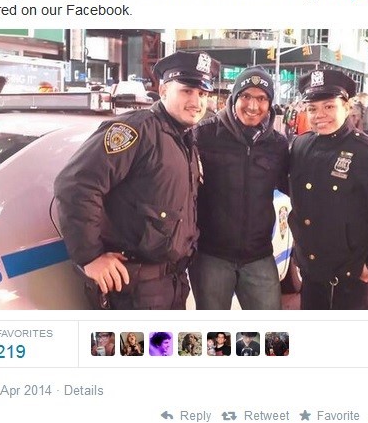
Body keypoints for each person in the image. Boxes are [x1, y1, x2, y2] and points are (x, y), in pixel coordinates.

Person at [54, 51, 219, 309]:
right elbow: (77, 184)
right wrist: (90, 257)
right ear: (164, 90)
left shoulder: (184, 137)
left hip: (172, 282)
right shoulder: (137, 130)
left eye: (203, 94)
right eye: (187, 91)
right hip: (135, 289)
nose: (197, 102)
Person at [288, 69, 368, 310]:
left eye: (329, 106)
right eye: (312, 109)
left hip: (353, 282)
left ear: (347, 107)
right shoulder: (301, 146)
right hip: (313, 276)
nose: (319, 115)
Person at [189, 66, 289, 310]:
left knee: (273, 341)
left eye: (261, 98)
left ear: (270, 103)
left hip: (259, 256)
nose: (253, 106)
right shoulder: (202, 135)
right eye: (246, 96)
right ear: (234, 99)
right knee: (215, 339)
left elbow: (296, 188)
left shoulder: (277, 144)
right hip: (211, 256)